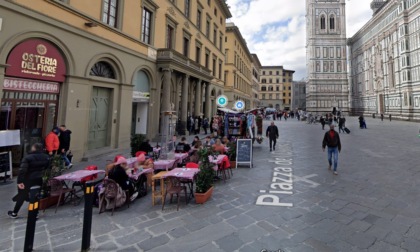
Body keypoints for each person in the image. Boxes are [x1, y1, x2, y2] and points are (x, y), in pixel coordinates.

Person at [8, 143, 50, 218]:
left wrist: (20, 181)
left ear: (34, 148)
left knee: (21, 196)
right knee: (36, 198)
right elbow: (46, 167)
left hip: (27, 180)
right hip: (38, 179)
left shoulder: (28, 158)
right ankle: (34, 214)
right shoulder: (46, 157)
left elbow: (22, 171)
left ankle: (14, 213)